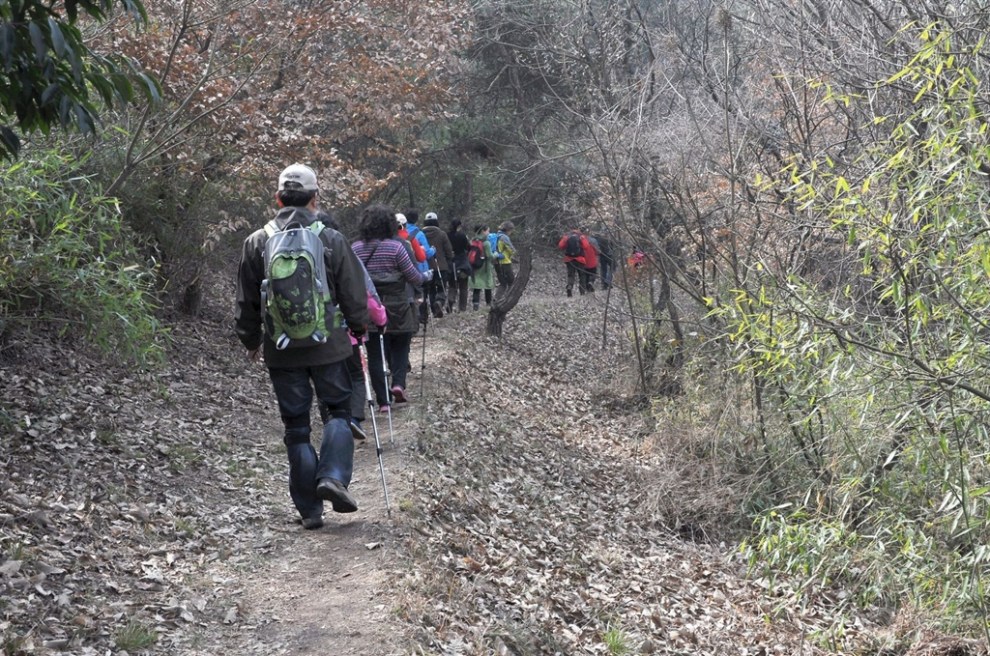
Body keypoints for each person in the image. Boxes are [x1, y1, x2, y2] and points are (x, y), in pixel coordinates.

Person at [235, 163, 370, 529]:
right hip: (329, 345)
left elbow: (247, 302)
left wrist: (250, 340)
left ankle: (310, 511)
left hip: (281, 349)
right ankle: (333, 476)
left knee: (296, 427)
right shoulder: (330, 239)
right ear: (315, 199)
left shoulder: (257, 241)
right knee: (338, 411)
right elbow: (353, 293)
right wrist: (359, 327)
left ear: (277, 198)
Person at [351, 204, 429, 410]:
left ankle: (383, 401)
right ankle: (398, 384)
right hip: (399, 305)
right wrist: (425, 277)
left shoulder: (355, 248)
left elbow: (350, 280)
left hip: (369, 308)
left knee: (375, 352)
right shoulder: (396, 247)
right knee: (401, 345)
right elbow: (414, 277)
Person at [422, 211, 453, 318]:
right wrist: (449, 259)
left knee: (431, 290)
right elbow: (449, 251)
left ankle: (434, 309)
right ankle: (439, 303)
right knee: (441, 287)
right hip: (441, 266)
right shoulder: (442, 234)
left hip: (426, 267)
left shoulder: (421, 234)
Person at [469, 225, 496, 310]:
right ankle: (489, 303)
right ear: (483, 231)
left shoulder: (473, 240)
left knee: (477, 286)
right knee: (488, 285)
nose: (489, 233)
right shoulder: (486, 242)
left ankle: (475, 304)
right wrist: (496, 254)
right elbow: (489, 256)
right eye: (488, 231)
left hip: (475, 266)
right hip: (485, 267)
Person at [447, 219, 471, 312]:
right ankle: (462, 308)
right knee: (463, 287)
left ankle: (450, 302)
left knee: (452, 285)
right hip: (462, 263)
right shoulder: (462, 235)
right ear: (459, 226)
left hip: (451, 263)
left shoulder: (447, 235)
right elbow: (468, 247)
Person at [558, 227, 590, 297]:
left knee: (571, 275)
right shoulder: (581, 236)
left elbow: (560, 246)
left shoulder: (567, 236)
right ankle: (582, 292)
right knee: (582, 276)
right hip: (580, 260)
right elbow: (586, 246)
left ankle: (569, 286)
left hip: (569, 260)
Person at [492, 220, 517, 289]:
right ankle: (508, 299)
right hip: (504, 262)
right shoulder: (504, 237)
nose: (511, 233)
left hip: (496, 262)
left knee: (502, 283)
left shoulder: (496, 235)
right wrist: (515, 255)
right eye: (511, 231)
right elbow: (511, 250)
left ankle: (497, 299)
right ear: (508, 230)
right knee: (511, 282)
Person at [583, 228, 601, 292]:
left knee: (585, 274)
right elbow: (597, 251)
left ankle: (587, 288)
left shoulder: (580, 240)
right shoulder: (593, 240)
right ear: (589, 233)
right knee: (593, 273)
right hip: (592, 260)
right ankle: (591, 282)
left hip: (583, 260)